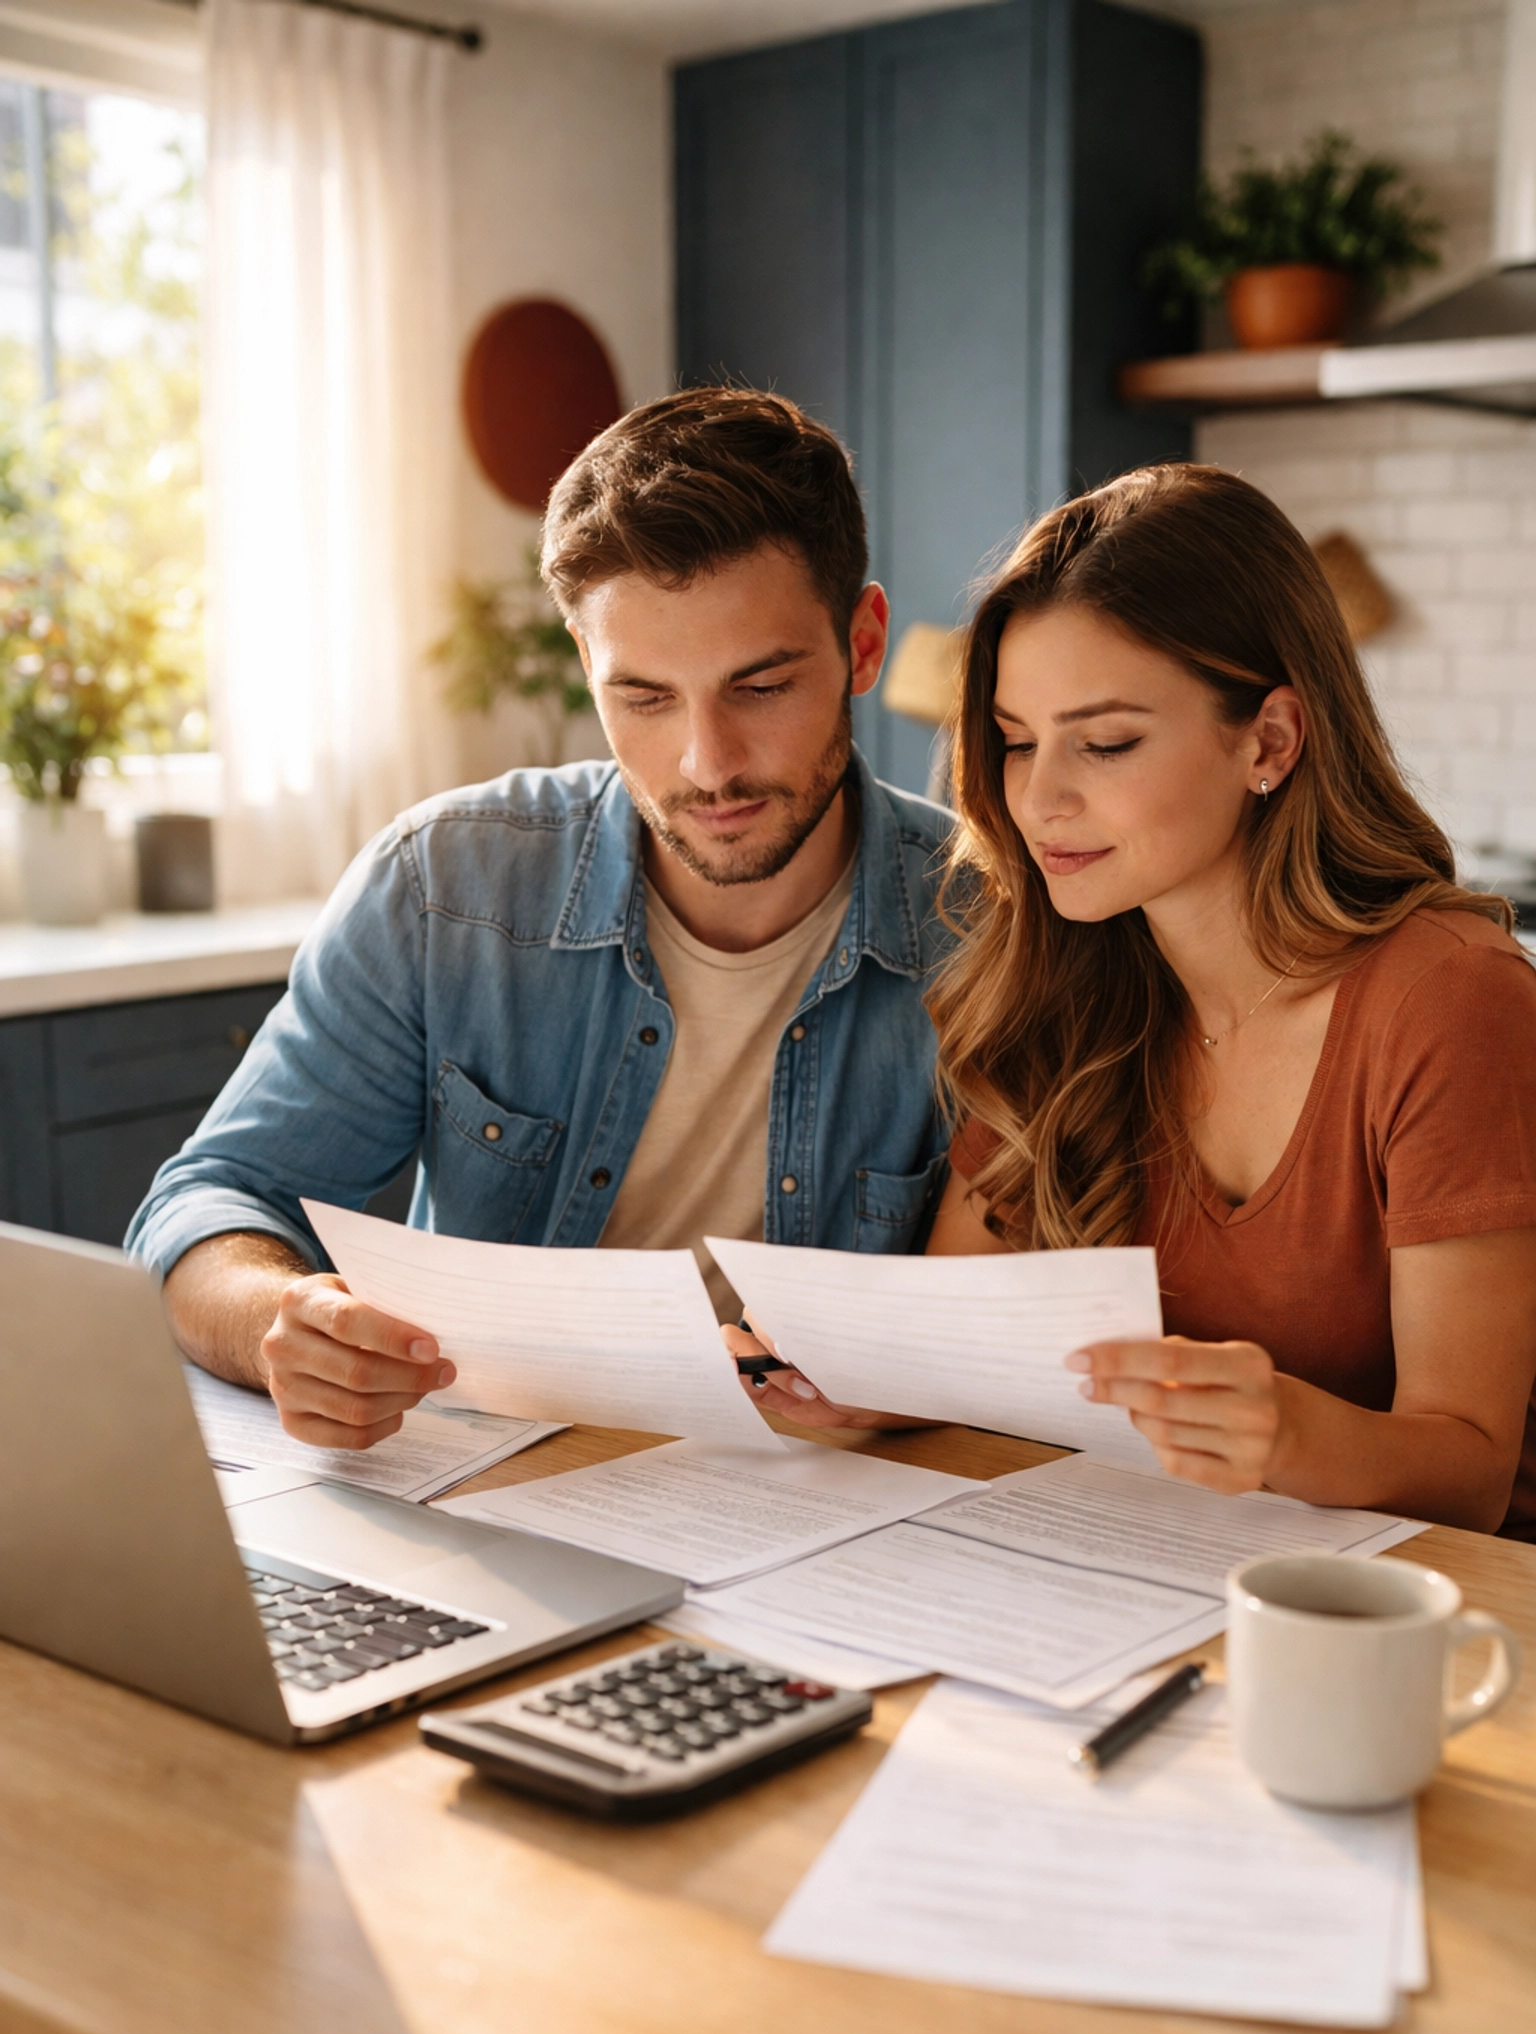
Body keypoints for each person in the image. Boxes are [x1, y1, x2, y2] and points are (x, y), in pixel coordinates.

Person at [129, 388, 955, 1451]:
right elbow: (207, 1204)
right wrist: (280, 1323)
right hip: (497, 1482)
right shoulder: (445, 889)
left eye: (760, 686)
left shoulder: (987, 925)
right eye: (644, 697)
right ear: (584, 662)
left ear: (863, 642)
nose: (707, 764)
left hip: (832, 1499)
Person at [738, 463, 1536, 1537]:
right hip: (1150, 1562)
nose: (1040, 798)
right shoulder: (1064, 983)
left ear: (1270, 741)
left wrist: (1288, 1435)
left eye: (1106, 743)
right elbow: (954, 1340)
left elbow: (1473, 1472)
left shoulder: (1450, 1001)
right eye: (1017, 742)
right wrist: (871, 1385)